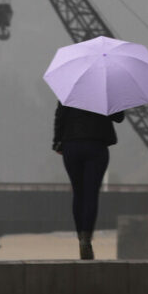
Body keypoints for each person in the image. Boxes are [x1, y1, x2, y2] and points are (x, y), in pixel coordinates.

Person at [53, 102, 125, 259]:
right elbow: (119, 117)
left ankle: (80, 238)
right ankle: (86, 239)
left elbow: (60, 116)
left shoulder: (70, 89)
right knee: (91, 194)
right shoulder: (106, 92)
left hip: (71, 145)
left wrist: (57, 142)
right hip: (96, 145)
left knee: (78, 193)